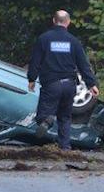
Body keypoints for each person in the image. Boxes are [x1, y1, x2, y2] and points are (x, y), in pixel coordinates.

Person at [27, 10, 99, 150]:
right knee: (65, 117)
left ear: (54, 21)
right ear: (68, 22)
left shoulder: (44, 39)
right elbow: (83, 65)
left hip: (51, 84)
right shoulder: (74, 41)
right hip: (69, 85)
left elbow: (35, 61)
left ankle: (47, 120)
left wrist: (31, 79)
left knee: (42, 116)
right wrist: (91, 84)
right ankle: (65, 148)